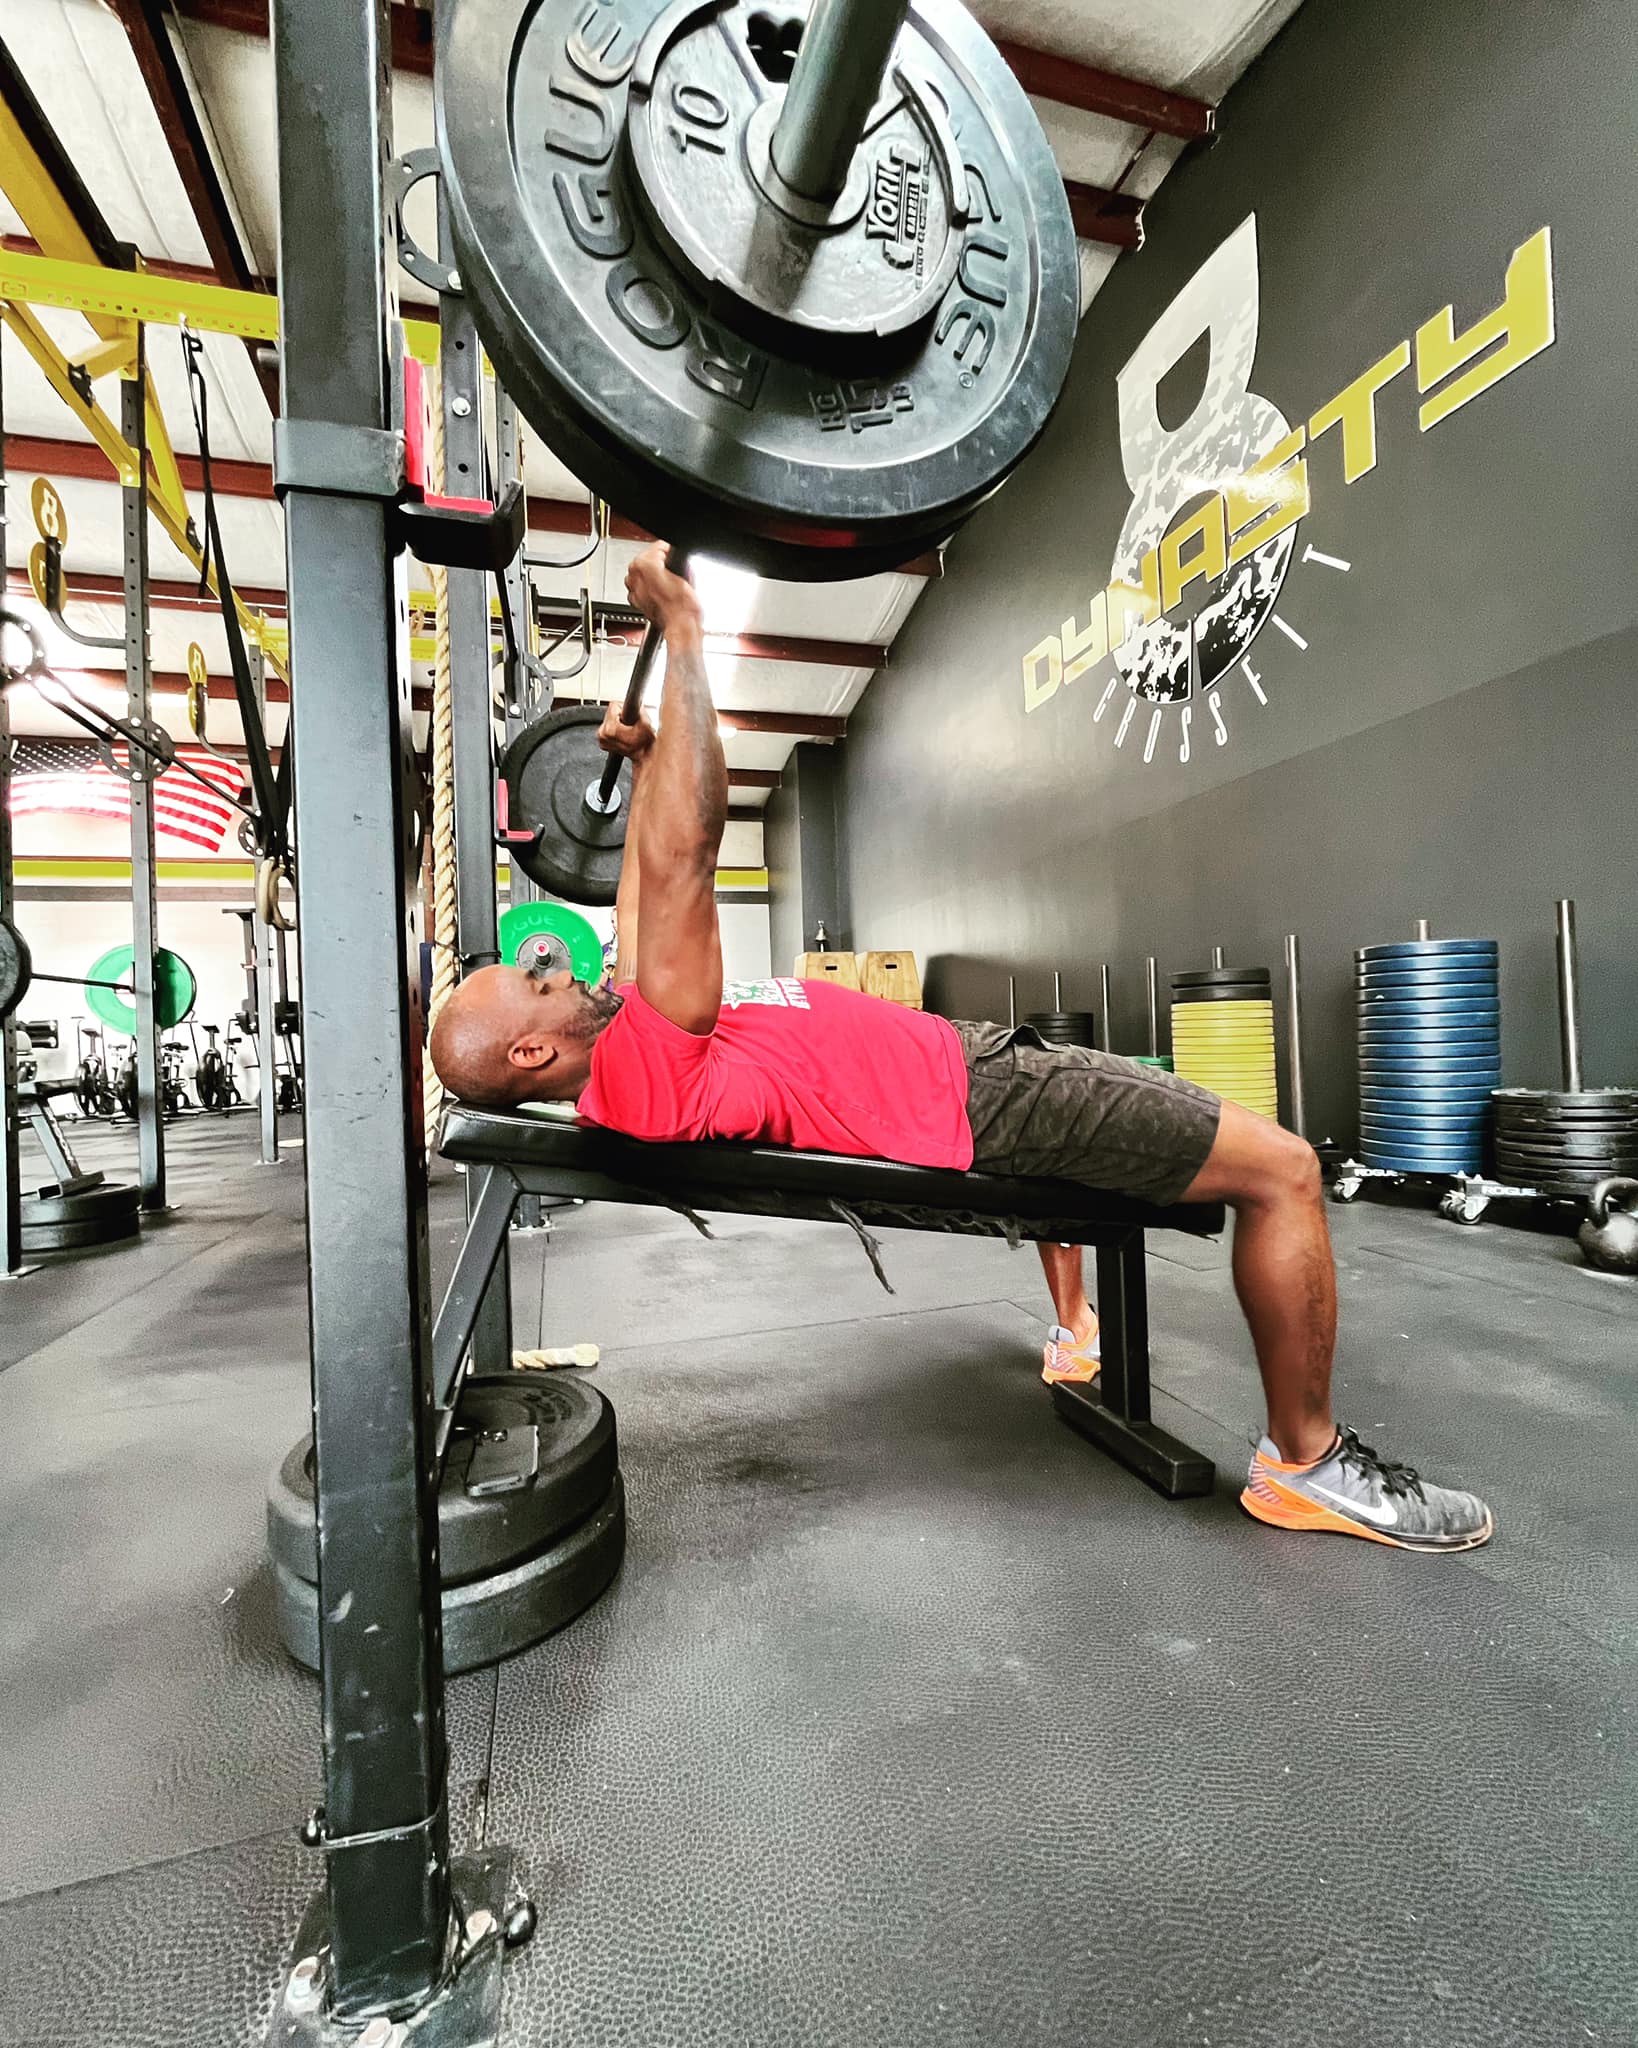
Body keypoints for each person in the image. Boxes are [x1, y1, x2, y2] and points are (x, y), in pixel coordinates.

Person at [432, 544, 1493, 1553]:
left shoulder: (624, 1026)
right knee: (1286, 1169)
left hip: (963, 1064)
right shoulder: (640, 1070)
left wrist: (650, 751)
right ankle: (1307, 1461)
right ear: (529, 1057)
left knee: (1195, 1156)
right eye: (536, 984)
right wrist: (685, 631)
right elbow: (684, 858)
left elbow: (641, 883)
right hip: (982, 1104)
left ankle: (1083, 1334)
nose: (556, 969)